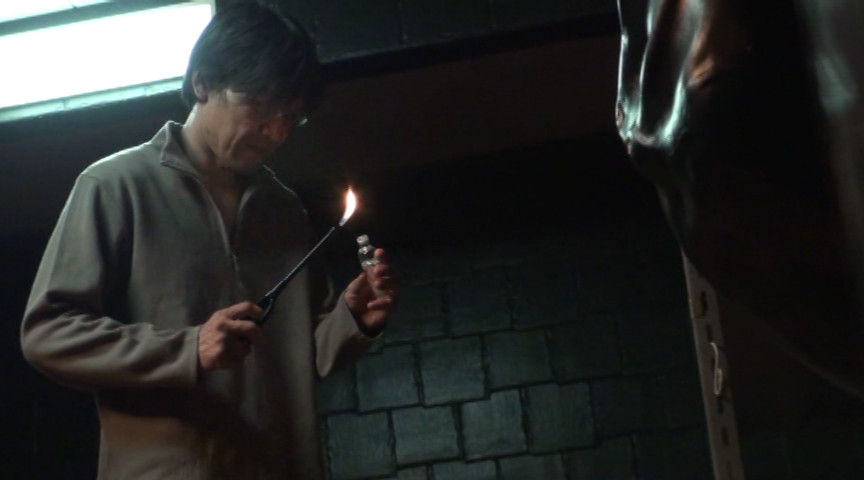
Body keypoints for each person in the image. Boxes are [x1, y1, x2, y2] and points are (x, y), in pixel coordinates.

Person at [20, 3, 396, 479]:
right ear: (202, 83)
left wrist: (352, 321)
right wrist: (187, 349)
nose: (275, 131)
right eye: (259, 104)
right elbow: (48, 333)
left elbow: (303, 357)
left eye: (290, 116)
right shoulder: (115, 185)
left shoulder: (283, 211)